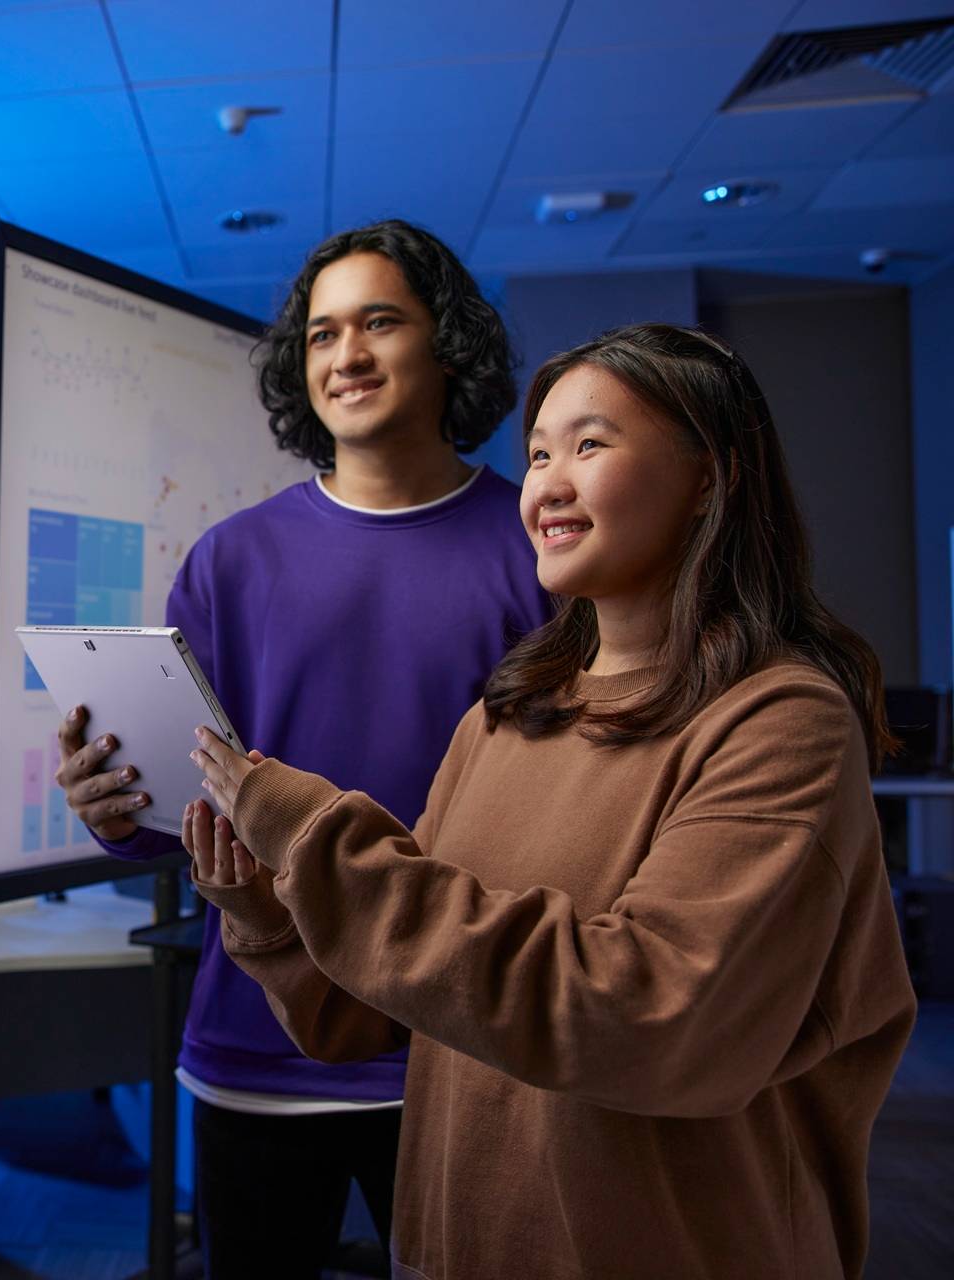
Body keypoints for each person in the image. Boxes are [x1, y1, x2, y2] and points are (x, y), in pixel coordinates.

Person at [183, 322, 916, 1279]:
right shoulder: (506, 717)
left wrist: (314, 832)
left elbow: (649, 1014)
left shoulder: (782, 723)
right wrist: (264, 911)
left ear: (710, 478)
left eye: (590, 444)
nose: (547, 485)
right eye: (535, 455)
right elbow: (381, 1010)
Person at [55, 219, 550, 1274]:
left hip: (464, 1034)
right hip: (257, 1037)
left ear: (447, 346)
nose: (347, 355)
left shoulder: (533, 551)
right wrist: (114, 809)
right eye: (323, 332)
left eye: (381, 322)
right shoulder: (233, 559)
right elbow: (175, 809)